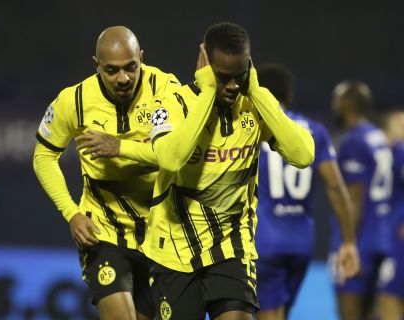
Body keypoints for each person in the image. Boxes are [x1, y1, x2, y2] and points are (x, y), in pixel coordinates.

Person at [79, 22, 315, 320]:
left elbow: (303, 155)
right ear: (204, 65)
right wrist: (206, 93)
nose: (231, 86)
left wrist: (256, 89)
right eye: (222, 77)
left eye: (238, 76)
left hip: (232, 248)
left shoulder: (252, 104)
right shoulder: (171, 104)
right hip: (173, 252)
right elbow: (171, 159)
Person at [32, 26, 180, 320]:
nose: (123, 78)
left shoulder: (166, 89)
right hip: (104, 232)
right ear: (96, 65)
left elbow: (175, 157)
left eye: (130, 68)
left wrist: (119, 148)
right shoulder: (73, 101)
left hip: (162, 234)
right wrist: (71, 213)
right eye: (111, 71)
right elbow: (43, 156)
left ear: (141, 58)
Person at [253, 63, 359, 320]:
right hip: (301, 242)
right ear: (290, 96)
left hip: (264, 239)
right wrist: (348, 241)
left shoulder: (253, 128)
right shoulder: (315, 131)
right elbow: (335, 186)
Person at [330, 81, 393, 320]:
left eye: (337, 100)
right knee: (371, 313)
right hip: (381, 238)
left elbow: (354, 197)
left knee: (350, 313)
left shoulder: (354, 140)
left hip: (360, 241)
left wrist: (348, 243)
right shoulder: (378, 136)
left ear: (347, 104)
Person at [377, 108, 404, 320]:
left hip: (398, 241)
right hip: (384, 237)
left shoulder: (400, 151)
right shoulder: (382, 152)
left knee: (390, 295)